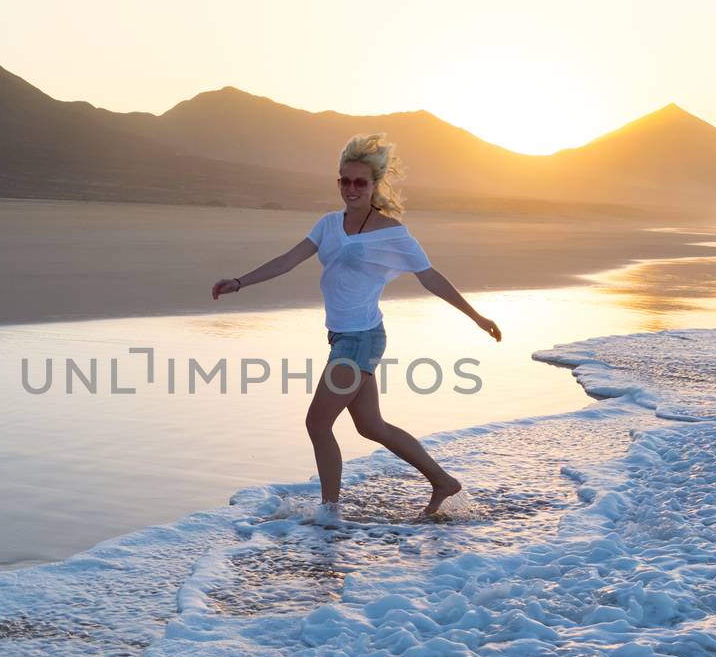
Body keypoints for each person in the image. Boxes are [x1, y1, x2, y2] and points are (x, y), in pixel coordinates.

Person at [211, 133, 501, 522]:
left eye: (359, 182)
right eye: (344, 181)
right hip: (341, 336)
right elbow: (287, 260)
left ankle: (329, 512)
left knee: (317, 422)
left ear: (374, 185)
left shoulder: (392, 232)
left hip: (362, 339)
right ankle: (443, 482)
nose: (351, 189)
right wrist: (240, 281)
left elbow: (430, 278)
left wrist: (477, 317)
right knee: (371, 426)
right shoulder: (329, 225)